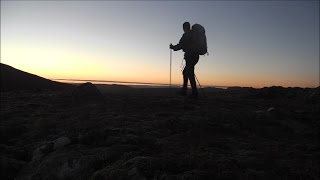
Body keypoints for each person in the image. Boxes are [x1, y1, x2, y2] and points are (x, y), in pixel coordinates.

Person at [170, 22, 199, 99]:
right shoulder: (193, 34)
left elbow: (181, 45)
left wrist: (173, 47)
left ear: (184, 27)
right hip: (195, 56)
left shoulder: (187, 34)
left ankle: (193, 93)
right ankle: (185, 90)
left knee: (190, 73)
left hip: (190, 56)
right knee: (186, 72)